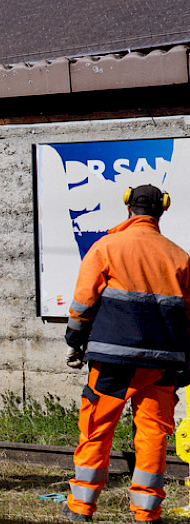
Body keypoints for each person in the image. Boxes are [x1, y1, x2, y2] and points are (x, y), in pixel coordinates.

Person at [63, 184, 190, 523]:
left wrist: (74, 338)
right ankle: (146, 513)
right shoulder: (179, 257)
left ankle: (81, 507)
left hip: (112, 363)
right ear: (162, 208)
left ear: (128, 207)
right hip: (161, 365)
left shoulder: (106, 247)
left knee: (97, 428)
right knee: (151, 435)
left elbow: (83, 300)